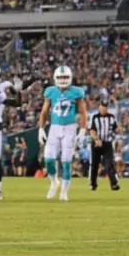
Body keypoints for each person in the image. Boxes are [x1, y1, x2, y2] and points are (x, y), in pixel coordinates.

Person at [38, 66, 87, 201]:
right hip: (54, 127)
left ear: (70, 78)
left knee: (66, 161)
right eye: (60, 77)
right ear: (55, 78)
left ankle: (64, 191)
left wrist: (82, 130)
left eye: (65, 77)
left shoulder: (76, 92)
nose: (63, 80)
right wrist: (41, 128)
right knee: (48, 159)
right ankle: (54, 181)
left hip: (70, 128)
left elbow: (83, 113)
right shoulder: (50, 92)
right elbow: (44, 112)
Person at [89, 99, 120, 190]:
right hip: (97, 143)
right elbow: (92, 130)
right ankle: (93, 184)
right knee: (95, 164)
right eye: (102, 107)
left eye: (105, 107)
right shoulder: (94, 117)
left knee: (110, 163)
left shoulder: (111, 117)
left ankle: (114, 183)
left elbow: (115, 127)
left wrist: (118, 129)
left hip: (107, 143)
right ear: (100, 107)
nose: (104, 109)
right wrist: (96, 139)